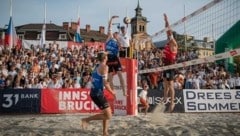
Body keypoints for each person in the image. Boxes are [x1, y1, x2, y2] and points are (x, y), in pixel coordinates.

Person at [81, 51, 116, 136]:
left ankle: (105, 132)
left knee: (106, 112)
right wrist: (112, 92)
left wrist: (105, 52)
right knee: (109, 115)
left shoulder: (97, 65)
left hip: (95, 92)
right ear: (104, 58)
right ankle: (86, 119)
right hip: (97, 93)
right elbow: (105, 83)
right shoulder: (105, 67)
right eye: (106, 56)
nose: (107, 58)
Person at [105, 15, 127, 96]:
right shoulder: (109, 38)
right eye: (115, 33)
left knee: (120, 75)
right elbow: (109, 27)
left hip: (114, 58)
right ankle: (113, 93)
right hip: (108, 58)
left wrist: (118, 40)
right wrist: (111, 19)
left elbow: (121, 49)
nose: (115, 34)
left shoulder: (118, 42)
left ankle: (124, 91)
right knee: (110, 77)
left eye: (117, 34)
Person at [162, 13, 178, 112]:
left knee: (170, 85)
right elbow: (167, 31)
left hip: (170, 66)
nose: (167, 36)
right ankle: (165, 99)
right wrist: (165, 22)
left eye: (169, 36)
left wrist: (167, 21)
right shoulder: (168, 44)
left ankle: (172, 103)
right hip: (165, 66)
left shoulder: (173, 44)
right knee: (165, 84)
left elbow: (169, 31)